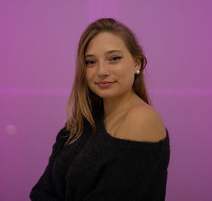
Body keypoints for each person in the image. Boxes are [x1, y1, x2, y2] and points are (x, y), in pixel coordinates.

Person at [29, 18, 170, 201]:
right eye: (90, 62)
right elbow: (42, 191)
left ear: (137, 64)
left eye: (114, 59)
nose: (101, 71)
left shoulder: (141, 118)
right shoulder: (84, 121)